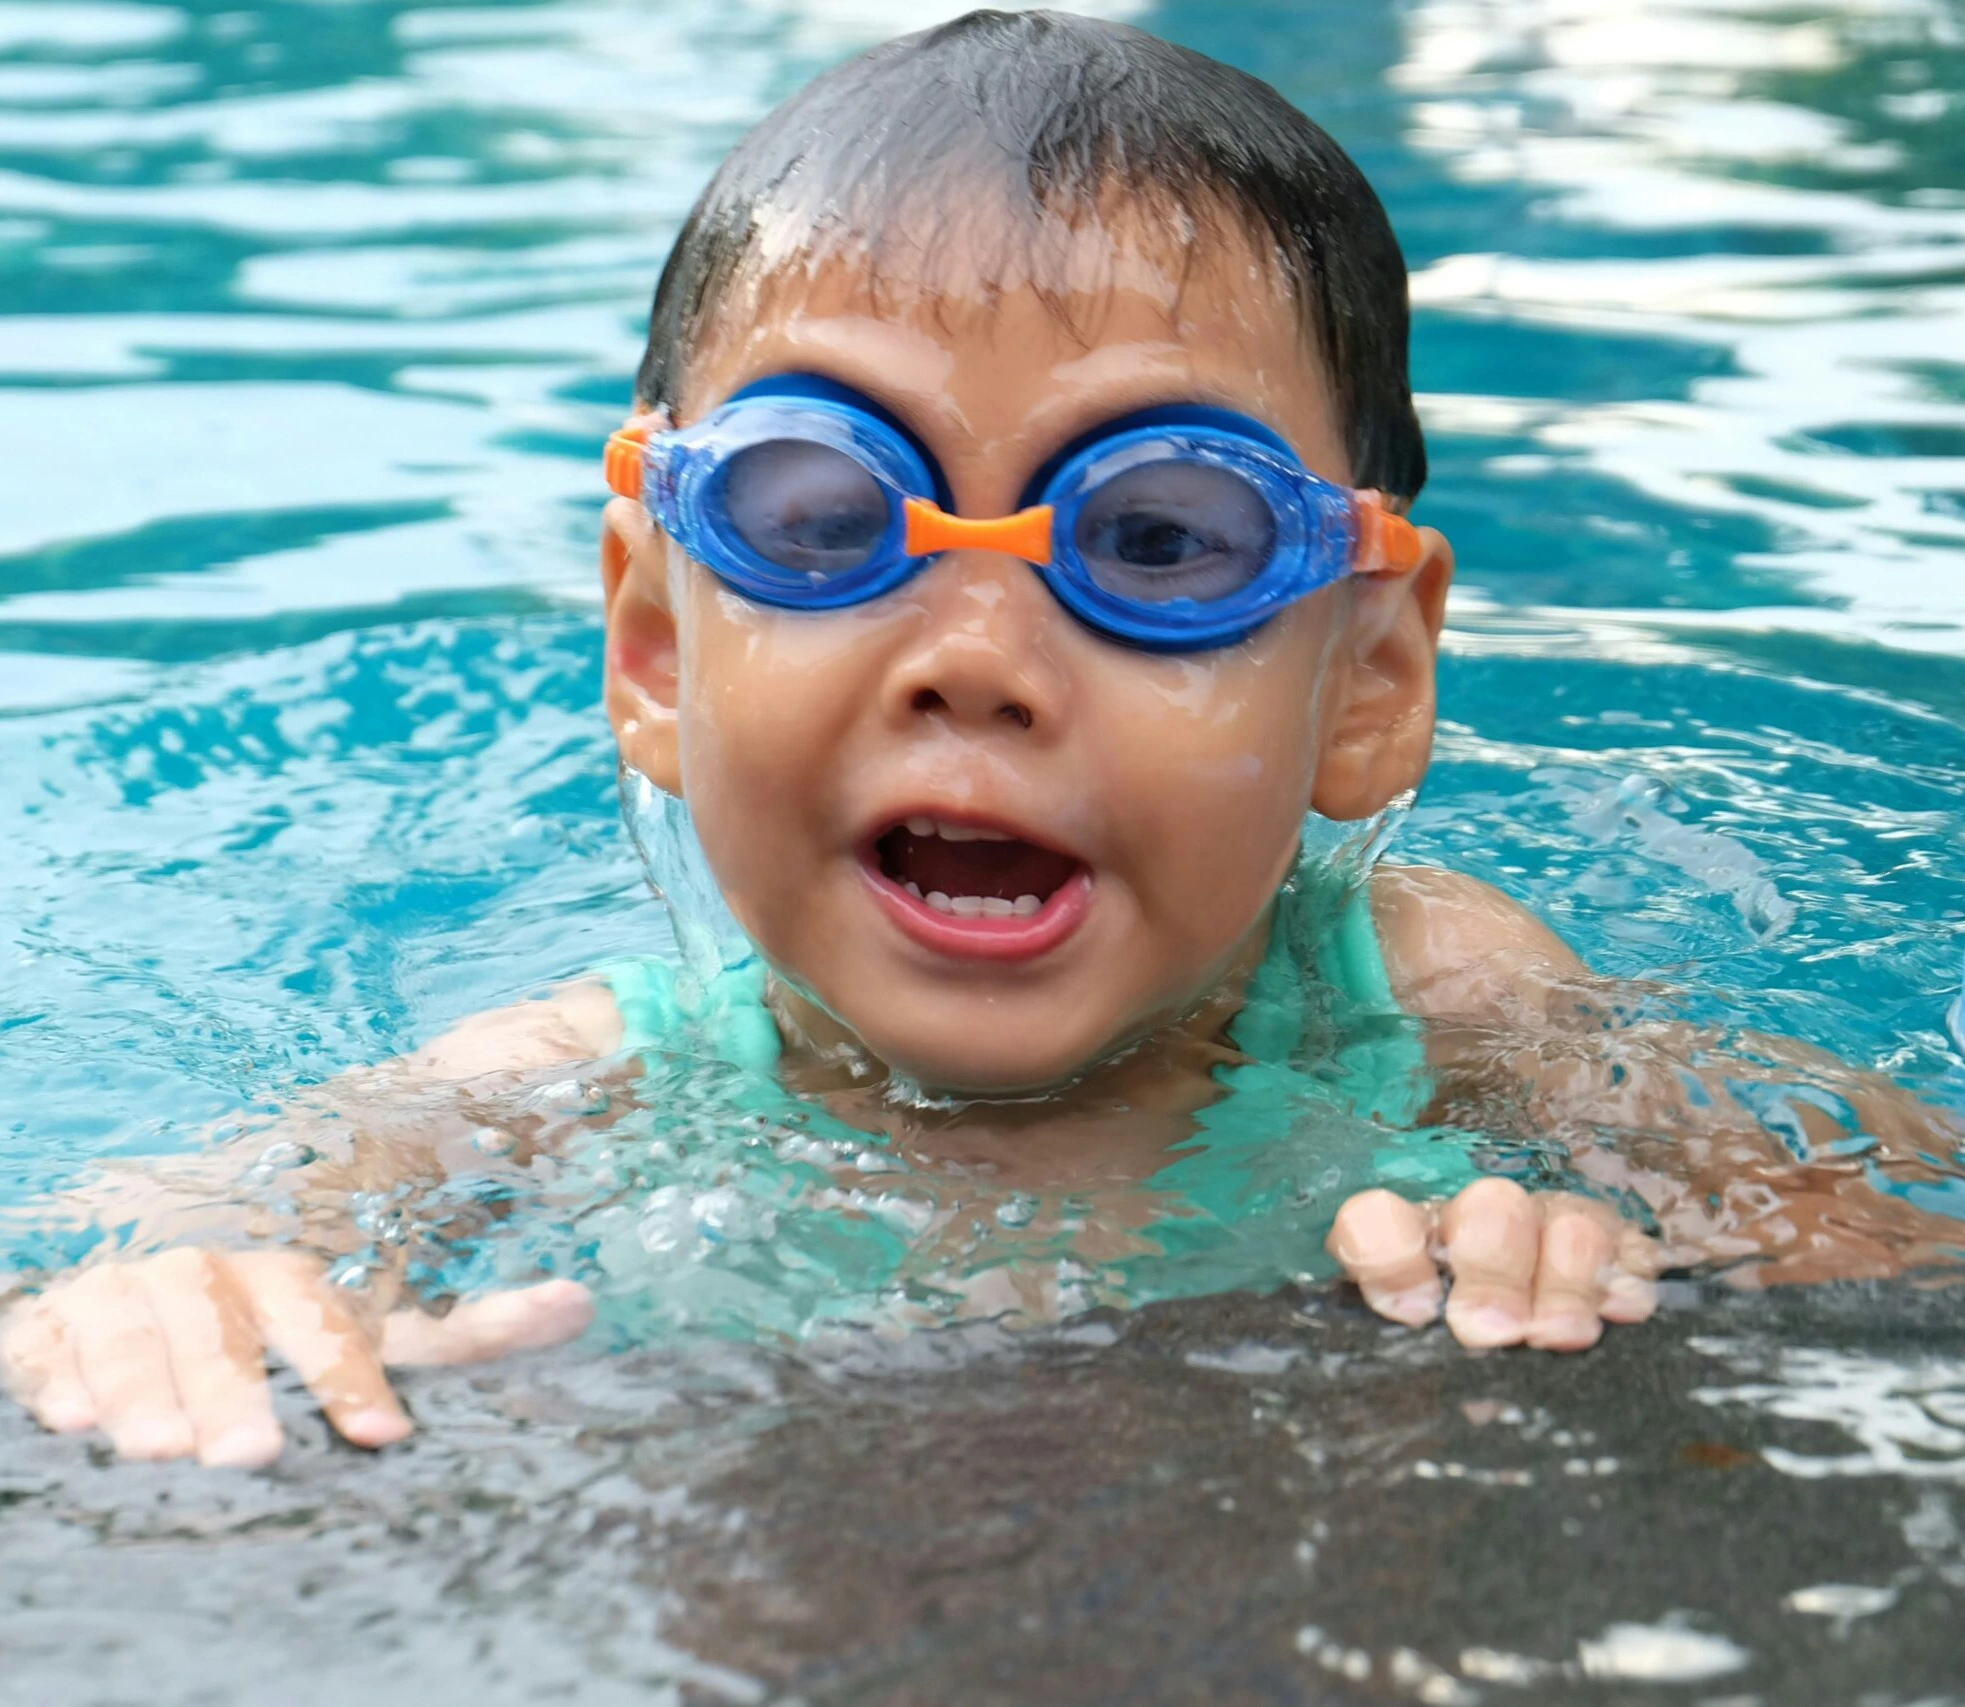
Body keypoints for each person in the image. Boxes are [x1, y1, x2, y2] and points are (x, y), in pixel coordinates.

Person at [4, 10, 1957, 1469]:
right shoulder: (591, 1074)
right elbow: (201, 1220)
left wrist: (1597, 1252)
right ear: (655, 643)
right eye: (818, 517)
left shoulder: (1436, 996)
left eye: (1157, 539)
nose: (975, 661)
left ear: (1362, 687)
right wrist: (163, 1294)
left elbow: (1869, 1247)